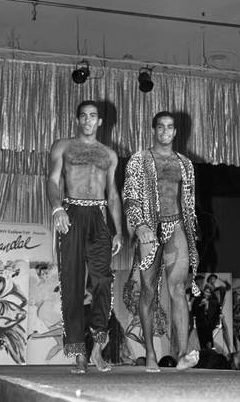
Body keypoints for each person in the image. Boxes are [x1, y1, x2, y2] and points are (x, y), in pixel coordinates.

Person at [47, 100, 123, 373]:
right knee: (72, 283)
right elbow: (53, 180)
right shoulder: (63, 146)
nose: (89, 121)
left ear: (100, 122)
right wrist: (57, 208)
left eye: (93, 117)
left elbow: (113, 194)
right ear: (77, 119)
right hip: (72, 213)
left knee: (103, 280)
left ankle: (97, 347)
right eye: (84, 116)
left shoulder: (109, 155)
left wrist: (118, 231)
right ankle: (78, 352)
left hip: (100, 217)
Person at [123, 111, 200, 372]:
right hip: (149, 228)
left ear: (176, 132)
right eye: (161, 127)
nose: (165, 132)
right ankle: (151, 353)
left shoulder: (185, 164)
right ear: (154, 130)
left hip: (175, 226)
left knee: (178, 288)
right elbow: (130, 197)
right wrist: (140, 225)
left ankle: (182, 354)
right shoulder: (139, 160)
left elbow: (187, 202)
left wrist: (191, 230)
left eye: (170, 128)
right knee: (148, 292)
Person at [191, 283, 220, 350]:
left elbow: (214, 314)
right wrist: (200, 305)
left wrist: (207, 306)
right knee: (202, 344)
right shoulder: (198, 299)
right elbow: (194, 312)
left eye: (209, 293)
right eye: (206, 292)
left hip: (209, 325)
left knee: (209, 343)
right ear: (203, 291)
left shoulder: (214, 302)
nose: (207, 294)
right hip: (200, 325)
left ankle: (210, 353)